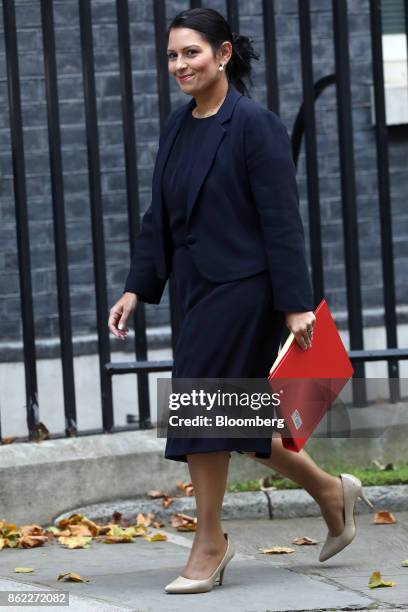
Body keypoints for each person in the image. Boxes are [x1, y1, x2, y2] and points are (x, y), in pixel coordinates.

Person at [108, 7, 373, 595]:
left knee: (200, 404)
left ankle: (210, 542)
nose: (179, 65)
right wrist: (135, 287)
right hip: (196, 290)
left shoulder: (254, 124)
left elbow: (282, 221)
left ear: (223, 54)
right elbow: (160, 217)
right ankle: (333, 490)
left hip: (246, 289)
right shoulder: (178, 128)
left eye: (191, 53)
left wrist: (295, 304)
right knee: (229, 413)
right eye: (172, 55)